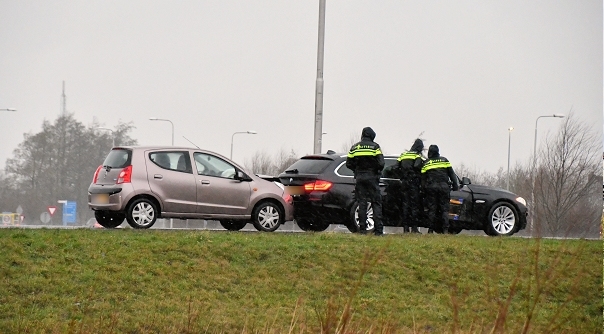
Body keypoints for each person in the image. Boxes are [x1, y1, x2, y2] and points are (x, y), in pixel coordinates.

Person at [346, 127, 385, 235]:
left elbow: (348, 163)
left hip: (360, 178)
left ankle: (362, 230)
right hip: (372, 177)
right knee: (376, 203)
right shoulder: (375, 147)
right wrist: (376, 171)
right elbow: (381, 163)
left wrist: (357, 170)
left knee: (362, 203)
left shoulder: (354, 147)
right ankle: (378, 231)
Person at [421, 145, 459, 234]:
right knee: (445, 209)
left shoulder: (426, 163)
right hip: (444, 187)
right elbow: (452, 175)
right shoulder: (444, 160)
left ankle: (430, 230)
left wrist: (423, 190)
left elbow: (423, 179)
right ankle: (445, 229)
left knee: (432, 209)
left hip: (431, 188)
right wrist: (455, 186)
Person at [397, 138, 425, 233]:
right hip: (413, 183)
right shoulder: (417, 155)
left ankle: (405, 228)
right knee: (414, 206)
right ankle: (414, 228)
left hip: (404, 182)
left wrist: (403, 174)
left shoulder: (403, 155)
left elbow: (396, 167)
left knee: (405, 205)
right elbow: (417, 166)